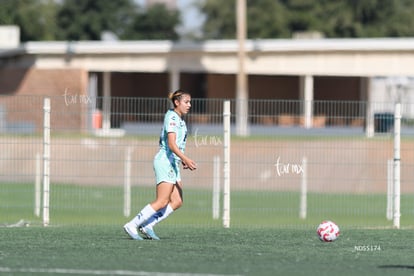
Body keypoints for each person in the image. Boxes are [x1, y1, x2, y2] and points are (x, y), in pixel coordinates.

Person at [123, 89, 197, 240]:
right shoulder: (172, 117)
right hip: (165, 161)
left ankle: (148, 225)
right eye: (186, 102)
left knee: (177, 201)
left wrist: (181, 159)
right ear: (177, 103)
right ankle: (132, 224)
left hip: (173, 162)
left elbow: (177, 144)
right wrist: (185, 158)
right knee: (162, 200)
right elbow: (170, 144)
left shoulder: (181, 120)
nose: (189, 105)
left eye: (190, 102)